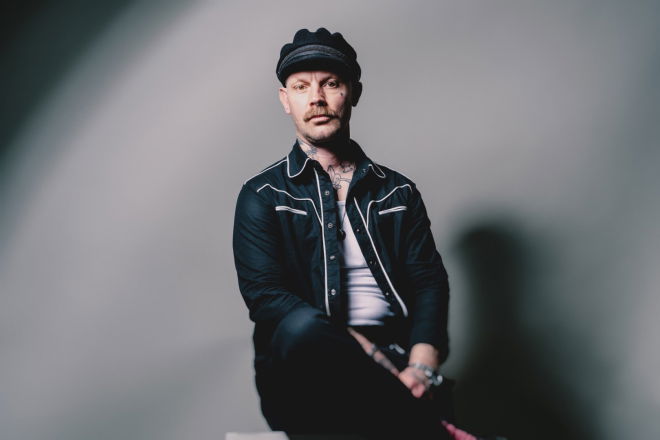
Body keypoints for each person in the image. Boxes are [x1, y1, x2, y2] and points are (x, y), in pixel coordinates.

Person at [233, 28, 478, 440]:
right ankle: (434, 431)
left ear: (354, 93)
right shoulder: (262, 195)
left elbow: (428, 282)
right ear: (285, 100)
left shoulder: (397, 192)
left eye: (331, 83)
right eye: (301, 87)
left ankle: (413, 421)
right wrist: (366, 355)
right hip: (305, 372)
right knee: (300, 328)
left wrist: (421, 367)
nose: (317, 98)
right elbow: (266, 297)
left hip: (398, 364)